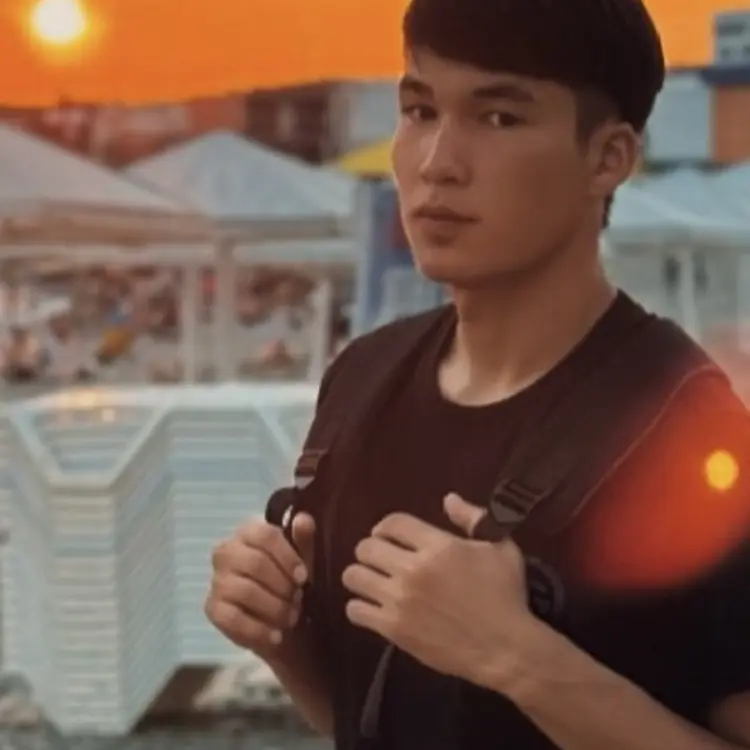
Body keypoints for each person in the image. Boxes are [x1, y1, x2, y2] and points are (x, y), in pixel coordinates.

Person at [206, 0, 750, 748]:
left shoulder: (690, 432)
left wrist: (517, 658)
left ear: (608, 159)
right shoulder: (364, 378)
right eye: (420, 111)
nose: (437, 163)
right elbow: (374, 723)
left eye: (498, 118)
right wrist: (283, 638)